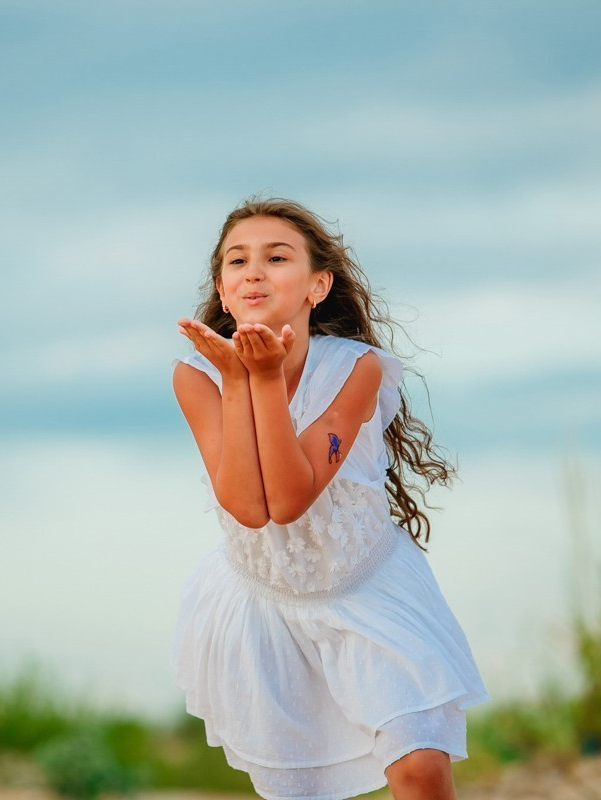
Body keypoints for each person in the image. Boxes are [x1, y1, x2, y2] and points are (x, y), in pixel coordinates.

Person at [171, 197, 489, 800]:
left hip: (369, 586)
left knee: (421, 770)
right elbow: (250, 506)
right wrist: (238, 379)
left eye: (277, 257)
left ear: (318, 285)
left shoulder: (358, 368)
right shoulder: (199, 375)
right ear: (222, 285)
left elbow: (292, 499)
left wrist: (262, 378)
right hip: (265, 604)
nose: (254, 271)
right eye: (238, 260)